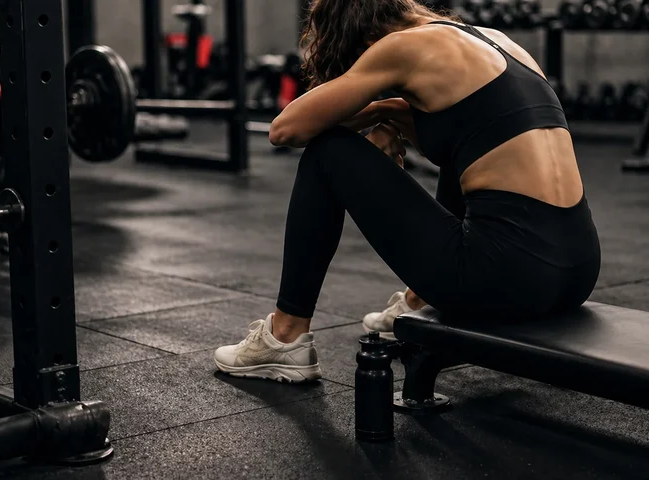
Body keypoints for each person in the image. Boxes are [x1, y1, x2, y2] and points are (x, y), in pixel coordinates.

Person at [213, 0, 601, 383]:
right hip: (578, 271)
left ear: (360, 36)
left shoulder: (402, 47)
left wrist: (377, 110)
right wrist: (391, 117)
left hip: (504, 280)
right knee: (464, 160)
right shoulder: (496, 41)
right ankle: (418, 300)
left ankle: (285, 337)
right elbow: (453, 135)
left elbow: (286, 130)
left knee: (326, 152)